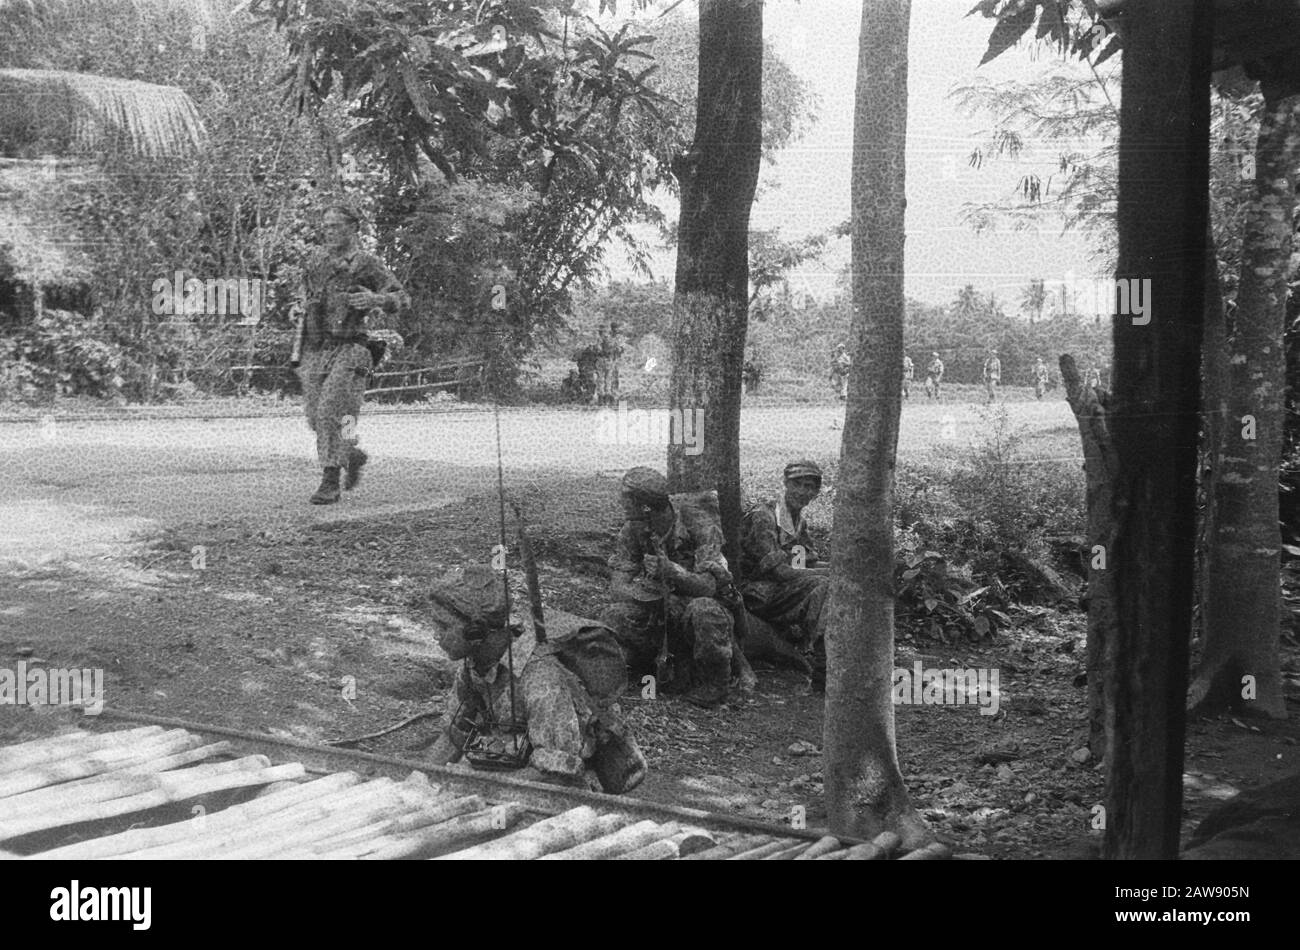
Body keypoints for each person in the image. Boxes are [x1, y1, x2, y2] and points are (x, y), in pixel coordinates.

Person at [426, 564, 647, 794]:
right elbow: (453, 737)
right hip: (508, 774)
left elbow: (557, 774)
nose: (435, 635)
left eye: (443, 627)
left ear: (476, 632)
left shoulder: (540, 677)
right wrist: (420, 778)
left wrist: (479, 789)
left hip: (562, 791)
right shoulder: (474, 666)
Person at [294, 204, 408, 505]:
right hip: (316, 347)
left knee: (331, 410)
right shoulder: (315, 261)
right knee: (315, 418)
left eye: (336, 225)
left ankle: (330, 480)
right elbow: (307, 300)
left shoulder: (366, 263)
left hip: (352, 346)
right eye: (326, 225)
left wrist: (375, 298)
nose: (329, 231)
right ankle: (351, 454)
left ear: (353, 228)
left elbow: (400, 297)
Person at [597, 467, 736, 708]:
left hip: (698, 606)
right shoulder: (633, 529)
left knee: (705, 612)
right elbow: (618, 588)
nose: (621, 503)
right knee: (613, 615)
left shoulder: (698, 522)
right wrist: (646, 594)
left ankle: (715, 682)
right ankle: (666, 662)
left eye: (626, 498)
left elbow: (708, 587)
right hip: (660, 605)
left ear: (645, 506)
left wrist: (673, 572)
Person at [739, 460, 829, 685]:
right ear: (785, 484)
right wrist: (828, 576)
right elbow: (779, 571)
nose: (803, 492)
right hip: (756, 594)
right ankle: (823, 664)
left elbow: (804, 564)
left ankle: (828, 655)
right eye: (797, 484)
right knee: (823, 586)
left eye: (810, 487)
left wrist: (841, 571)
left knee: (834, 581)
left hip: (782, 589)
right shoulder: (764, 517)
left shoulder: (798, 521)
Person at [593, 322, 625, 407]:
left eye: (617, 329)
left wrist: (617, 350)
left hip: (611, 360)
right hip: (604, 360)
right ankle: (602, 398)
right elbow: (598, 349)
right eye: (614, 329)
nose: (616, 331)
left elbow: (620, 349)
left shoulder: (615, 338)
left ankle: (610, 398)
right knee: (602, 380)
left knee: (609, 380)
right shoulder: (606, 338)